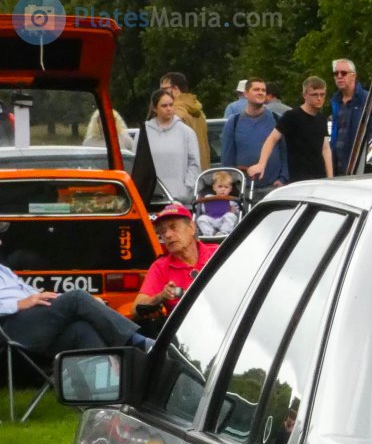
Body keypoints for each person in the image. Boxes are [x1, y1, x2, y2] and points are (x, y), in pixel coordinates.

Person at [0, 225, 152, 354]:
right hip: (9, 327)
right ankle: (139, 343)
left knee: (82, 330)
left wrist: (91, 303)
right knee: (76, 297)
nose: (1, 242)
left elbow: (35, 296)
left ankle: (106, 379)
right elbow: (25, 301)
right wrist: (17, 304)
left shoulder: (4, 270)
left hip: (31, 322)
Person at [134, 204, 218, 313]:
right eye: (162, 231)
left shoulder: (218, 253)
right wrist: (160, 297)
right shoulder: (160, 267)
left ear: (191, 228)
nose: (167, 235)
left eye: (173, 227)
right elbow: (135, 309)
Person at [249, 76, 333, 184]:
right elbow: (272, 139)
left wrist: (330, 178)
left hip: (319, 178)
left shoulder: (321, 118)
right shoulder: (292, 116)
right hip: (298, 179)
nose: (319, 98)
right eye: (315, 94)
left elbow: (325, 149)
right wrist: (261, 164)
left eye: (322, 94)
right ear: (305, 95)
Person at [222, 79, 286, 188]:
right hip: (243, 188)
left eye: (263, 90)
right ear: (246, 94)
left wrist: (283, 178)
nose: (261, 93)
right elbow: (227, 158)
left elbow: (286, 152)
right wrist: (232, 183)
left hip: (273, 186)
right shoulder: (234, 122)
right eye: (256, 89)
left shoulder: (277, 119)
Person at [144, 88, 201, 203]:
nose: (169, 108)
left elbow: (194, 163)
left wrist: (187, 188)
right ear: (155, 108)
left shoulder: (186, 132)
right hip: (152, 198)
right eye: (164, 106)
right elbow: (139, 165)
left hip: (180, 198)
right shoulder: (144, 132)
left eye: (171, 104)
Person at [330, 58, 372, 174]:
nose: (339, 76)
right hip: (337, 169)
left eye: (343, 73)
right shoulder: (336, 101)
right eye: (336, 73)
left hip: (359, 169)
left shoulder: (368, 100)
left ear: (353, 76)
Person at [160, 72, 211, 169]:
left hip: (184, 171)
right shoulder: (198, 110)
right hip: (202, 169)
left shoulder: (177, 109)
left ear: (175, 89)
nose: (161, 93)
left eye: (164, 89)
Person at [195, 170, 241, 237]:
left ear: (230, 189)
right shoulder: (208, 197)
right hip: (211, 219)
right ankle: (209, 233)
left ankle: (223, 232)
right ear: (214, 188)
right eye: (220, 186)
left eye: (226, 187)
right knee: (201, 218)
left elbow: (237, 212)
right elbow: (203, 210)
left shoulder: (231, 200)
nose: (223, 189)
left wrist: (234, 211)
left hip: (224, 220)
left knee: (231, 216)